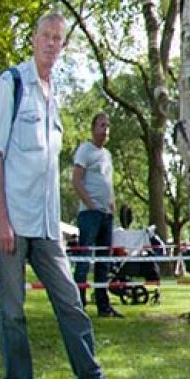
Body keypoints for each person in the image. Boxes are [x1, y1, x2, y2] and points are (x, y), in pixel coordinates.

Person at [0, 13, 128, 379]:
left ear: (63, 47)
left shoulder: (55, 94)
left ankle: (92, 378)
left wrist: (61, 226)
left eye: (58, 39)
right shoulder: (11, 83)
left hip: (47, 226)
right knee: (12, 312)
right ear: (33, 40)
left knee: (70, 301)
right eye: (45, 36)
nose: (51, 43)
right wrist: (3, 219)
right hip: (12, 220)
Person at [72, 112, 122, 318]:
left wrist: (111, 206)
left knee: (104, 262)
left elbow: (107, 183)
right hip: (89, 215)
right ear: (93, 128)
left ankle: (103, 305)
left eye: (108, 126)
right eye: (102, 125)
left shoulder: (107, 155)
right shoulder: (85, 150)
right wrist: (90, 204)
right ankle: (78, 304)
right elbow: (76, 180)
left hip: (106, 215)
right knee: (84, 260)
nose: (105, 129)